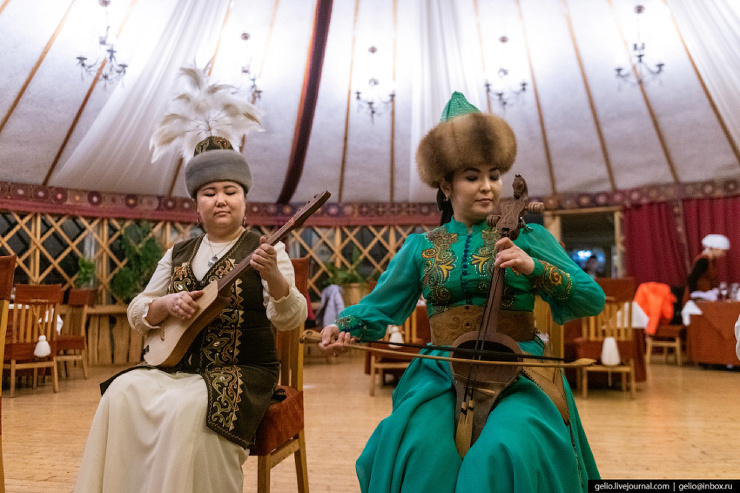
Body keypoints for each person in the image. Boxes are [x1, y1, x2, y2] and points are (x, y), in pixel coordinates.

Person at [320, 92, 605, 493]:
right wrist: (345, 326)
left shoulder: (529, 237)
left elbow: (592, 298)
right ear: (445, 184)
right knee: (419, 450)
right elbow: (380, 306)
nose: (487, 187)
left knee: (505, 449)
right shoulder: (421, 247)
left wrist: (535, 268)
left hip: (519, 368)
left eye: (494, 175)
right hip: (441, 371)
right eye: (472, 177)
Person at [74, 136, 307, 493]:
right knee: (120, 393)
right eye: (209, 193)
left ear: (245, 201)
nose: (220, 200)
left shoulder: (265, 249)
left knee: (189, 409)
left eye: (230, 191)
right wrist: (165, 305)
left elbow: (292, 318)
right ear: (197, 205)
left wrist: (273, 275)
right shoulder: (177, 253)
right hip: (178, 368)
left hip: (242, 371)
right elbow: (137, 310)